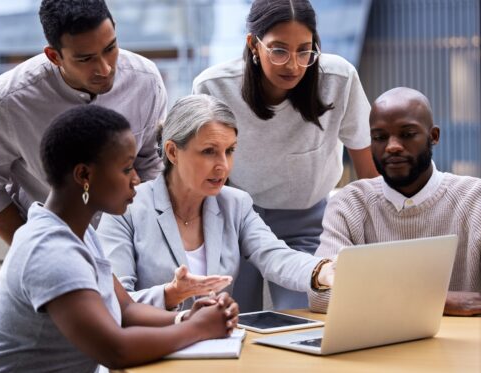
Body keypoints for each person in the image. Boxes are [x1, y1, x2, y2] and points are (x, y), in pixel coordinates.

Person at [0, 105, 238, 372]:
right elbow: (115, 350)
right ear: (84, 175)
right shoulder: (50, 250)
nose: (136, 179)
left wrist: (185, 317)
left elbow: (125, 309)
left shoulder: (78, 232)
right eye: (127, 168)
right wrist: (198, 328)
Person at [192, 0, 378, 311]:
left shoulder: (338, 79)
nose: (293, 65)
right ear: (254, 44)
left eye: (305, 50)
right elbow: (198, 171)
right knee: (235, 319)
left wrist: (376, 240)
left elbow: (368, 173)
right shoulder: (214, 86)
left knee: (305, 315)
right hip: (236, 220)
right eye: (279, 50)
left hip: (307, 219)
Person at [97, 94, 335, 311]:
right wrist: (170, 294)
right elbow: (114, 300)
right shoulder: (125, 210)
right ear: (172, 152)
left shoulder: (235, 203)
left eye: (229, 151)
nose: (223, 165)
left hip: (219, 348)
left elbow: (275, 256)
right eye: (209, 151)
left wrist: (322, 271)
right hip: (152, 347)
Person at [0, 0, 166, 245]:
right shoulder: (7, 102)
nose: (105, 68)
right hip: (53, 245)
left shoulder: (145, 80)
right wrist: (34, 247)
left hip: (130, 243)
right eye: (85, 59)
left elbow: (151, 164)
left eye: (110, 47)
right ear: (54, 56)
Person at [308, 87, 481, 316]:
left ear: (434, 136)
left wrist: (373, 295)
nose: (392, 146)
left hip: (460, 348)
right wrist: (436, 300)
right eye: (379, 137)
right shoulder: (349, 203)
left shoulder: (477, 198)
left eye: (407, 134)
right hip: (378, 348)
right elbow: (320, 294)